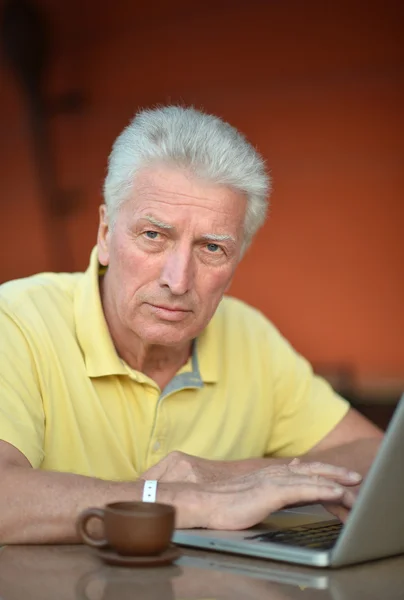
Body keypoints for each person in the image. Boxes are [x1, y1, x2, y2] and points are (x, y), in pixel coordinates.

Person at [0, 106, 382, 544]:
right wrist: (189, 500)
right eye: (153, 236)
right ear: (105, 233)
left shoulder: (250, 337)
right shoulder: (16, 320)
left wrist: (229, 475)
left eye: (212, 247)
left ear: (237, 261)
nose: (178, 280)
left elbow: (379, 456)